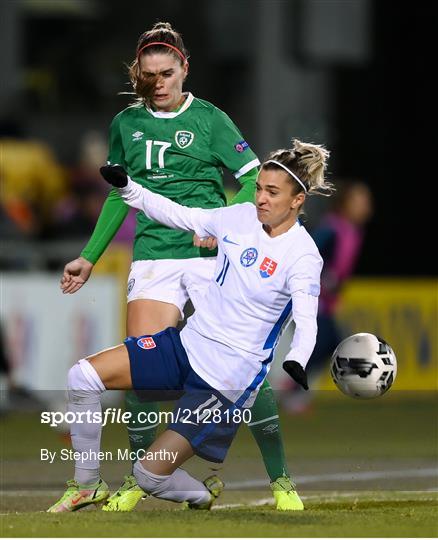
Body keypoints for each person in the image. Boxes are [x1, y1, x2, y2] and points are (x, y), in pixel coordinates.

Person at [60, 22, 301, 511]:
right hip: (153, 256)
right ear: (139, 76)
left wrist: (223, 225)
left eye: (167, 73)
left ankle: (281, 480)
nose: (159, 83)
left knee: (240, 370)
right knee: (142, 373)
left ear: (184, 69)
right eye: (149, 76)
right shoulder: (125, 124)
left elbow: (253, 178)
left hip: (210, 257)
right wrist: (89, 256)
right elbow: (118, 194)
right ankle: (138, 478)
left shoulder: (211, 119)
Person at [48, 139, 333, 513]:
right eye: (260, 188)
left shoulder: (303, 255)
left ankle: (201, 494)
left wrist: (296, 358)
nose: (261, 198)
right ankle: (87, 483)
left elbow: (307, 317)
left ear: (297, 200)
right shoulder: (239, 217)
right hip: (187, 345)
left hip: (226, 377)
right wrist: (129, 188)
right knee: (82, 376)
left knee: (149, 476)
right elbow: (177, 213)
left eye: (272, 192)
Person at [283, 180, 373, 413]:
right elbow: (309, 251)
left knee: (328, 343)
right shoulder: (332, 228)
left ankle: (292, 388)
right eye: (359, 201)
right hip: (312, 299)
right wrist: (323, 278)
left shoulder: (353, 232)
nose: (365, 206)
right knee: (327, 342)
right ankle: (291, 388)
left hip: (325, 302)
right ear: (345, 204)